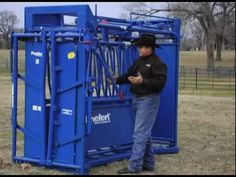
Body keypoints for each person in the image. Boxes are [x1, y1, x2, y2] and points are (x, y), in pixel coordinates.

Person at [114, 33, 168, 174]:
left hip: (148, 100)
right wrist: (116, 80)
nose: (139, 49)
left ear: (149, 48)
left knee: (139, 134)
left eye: (141, 47)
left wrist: (143, 81)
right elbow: (129, 75)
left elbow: (160, 83)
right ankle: (149, 164)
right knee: (144, 133)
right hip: (138, 98)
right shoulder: (140, 60)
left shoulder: (158, 63)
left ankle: (134, 167)